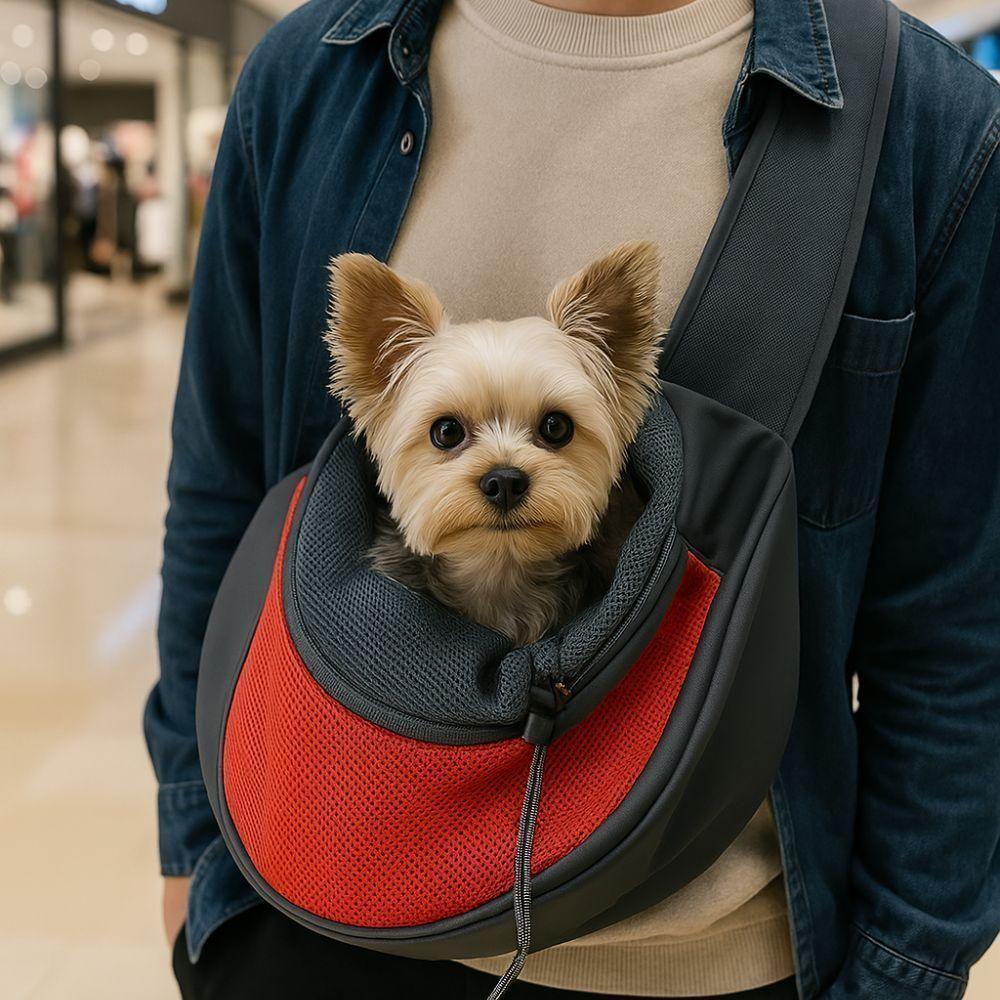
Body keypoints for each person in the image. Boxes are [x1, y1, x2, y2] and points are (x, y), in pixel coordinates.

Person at [144, 0, 1000, 997]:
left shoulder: (927, 125)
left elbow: (957, 629)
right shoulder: (309, 76)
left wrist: (906, 967)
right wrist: (197, 862)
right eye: (456, 434)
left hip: (711, 957)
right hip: (325, 918)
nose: (503, 465)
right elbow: (222, 500)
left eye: (549, 432)